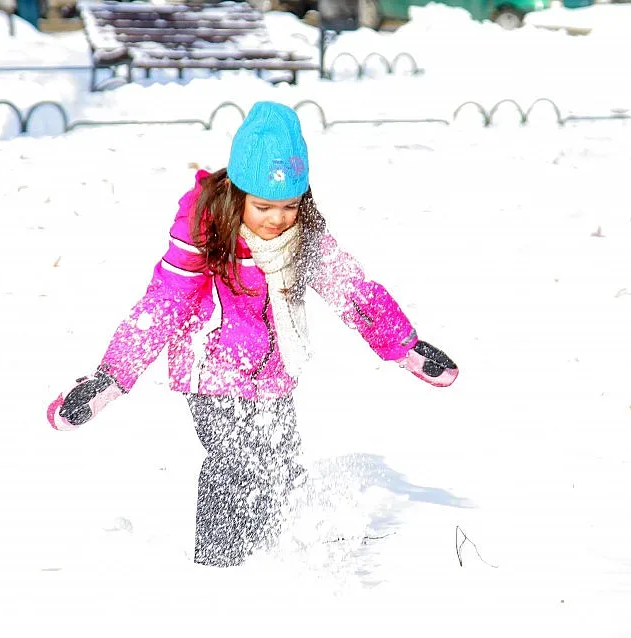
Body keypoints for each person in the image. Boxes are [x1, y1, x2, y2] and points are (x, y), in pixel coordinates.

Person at [46, 101, 458, 568]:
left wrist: (404, 347)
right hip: (211, 370)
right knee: (236, 463)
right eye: (263, 206)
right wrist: (110, 377)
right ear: (238, 192)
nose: (277, 218)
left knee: (279, 468)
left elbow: (351, 290)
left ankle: (267, 559)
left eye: (289, 205)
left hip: (274, 373)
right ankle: (219, 567)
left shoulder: (303, 236)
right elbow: (163, 303)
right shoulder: (204, 231)